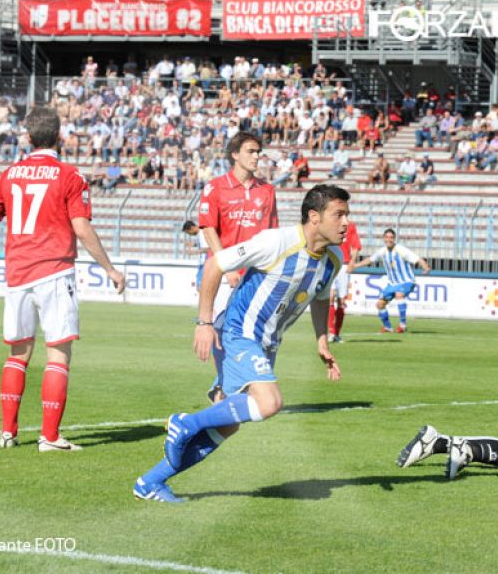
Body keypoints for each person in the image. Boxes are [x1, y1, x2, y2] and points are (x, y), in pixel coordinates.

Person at [133, 185, 349, 503]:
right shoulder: (276, 242)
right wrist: (204, 323)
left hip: (267, 344)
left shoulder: (334, 258)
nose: (346, 222)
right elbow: (215, 265)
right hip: (236, 332)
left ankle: (151, 481)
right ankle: (184, 423)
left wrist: (322, 341)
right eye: (339, 214)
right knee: (269, 403)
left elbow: (320, 296)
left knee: (228, 423)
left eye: (347, 214)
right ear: (314, 217)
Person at [0, 107, 126, 452]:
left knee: (18, 354)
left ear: (28, 137)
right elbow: (80, 226)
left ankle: (8, 432)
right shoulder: (69, 175)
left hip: (17, 273)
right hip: (54, 270)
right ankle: (49, 437)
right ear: (59, 137)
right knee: (58, 354)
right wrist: (109, 267)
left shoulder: (9, 175)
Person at [198, 131, 279, 322]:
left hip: (257, 276)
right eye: (250, 151)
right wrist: (227, 267)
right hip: (224, 275)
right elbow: (208, 229)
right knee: (220, 335)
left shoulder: (267, 190)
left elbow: (272, 234)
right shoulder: (215, 187)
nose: (256, 156)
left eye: (258, 152)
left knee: (257, 337)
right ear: (235, 154)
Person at [351, 228, 430, 333]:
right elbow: (370, 259)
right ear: (383, 238)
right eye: (387, 237)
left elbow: (417, 259)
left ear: (394, 239)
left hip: (407, 281)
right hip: (392, 284)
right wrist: (356, 265)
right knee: (380, 304)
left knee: (399, 294)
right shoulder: (382, 251)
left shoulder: (401, 250)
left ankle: (402, 325)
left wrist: (425, 267)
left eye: (391, 237)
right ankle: (388, 327)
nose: (389, 239)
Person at [328, 219, 362, 343]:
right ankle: (331, 332)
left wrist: (352, 261)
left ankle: (337, 333)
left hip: (344, 265)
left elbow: (356, 245)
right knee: (330, 297)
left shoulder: (351, 226)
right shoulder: (329, 223)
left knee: (341, 301)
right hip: (330, 264)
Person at [182, 220, 209, 290]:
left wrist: (195, 252)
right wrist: (194, 244)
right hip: (202, 263)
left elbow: (209, 248)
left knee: (201, 287)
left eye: (189, 233)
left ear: (191, 228)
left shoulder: (203, 233)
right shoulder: (200, 233)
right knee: (200, 287)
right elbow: (202, 244)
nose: (190, 235)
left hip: (205, 263)